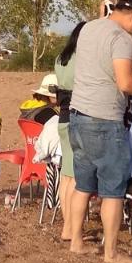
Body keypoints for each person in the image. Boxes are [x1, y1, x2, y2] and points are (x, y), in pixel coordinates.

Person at [66, 0, 132, 261]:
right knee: (114, 190)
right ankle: (110, 253)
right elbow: (126, 83)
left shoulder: (89, 27)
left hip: (78, 116)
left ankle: (76, 241)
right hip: (104, 120)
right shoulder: (122, 38)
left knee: (83, 185)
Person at [53, 21, 85, 243]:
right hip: (77, 115)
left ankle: (67, 225)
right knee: (74, 177)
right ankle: (69, 228)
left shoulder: (61, 58)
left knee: (66, 175)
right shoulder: (82, 60)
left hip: (62, 116)